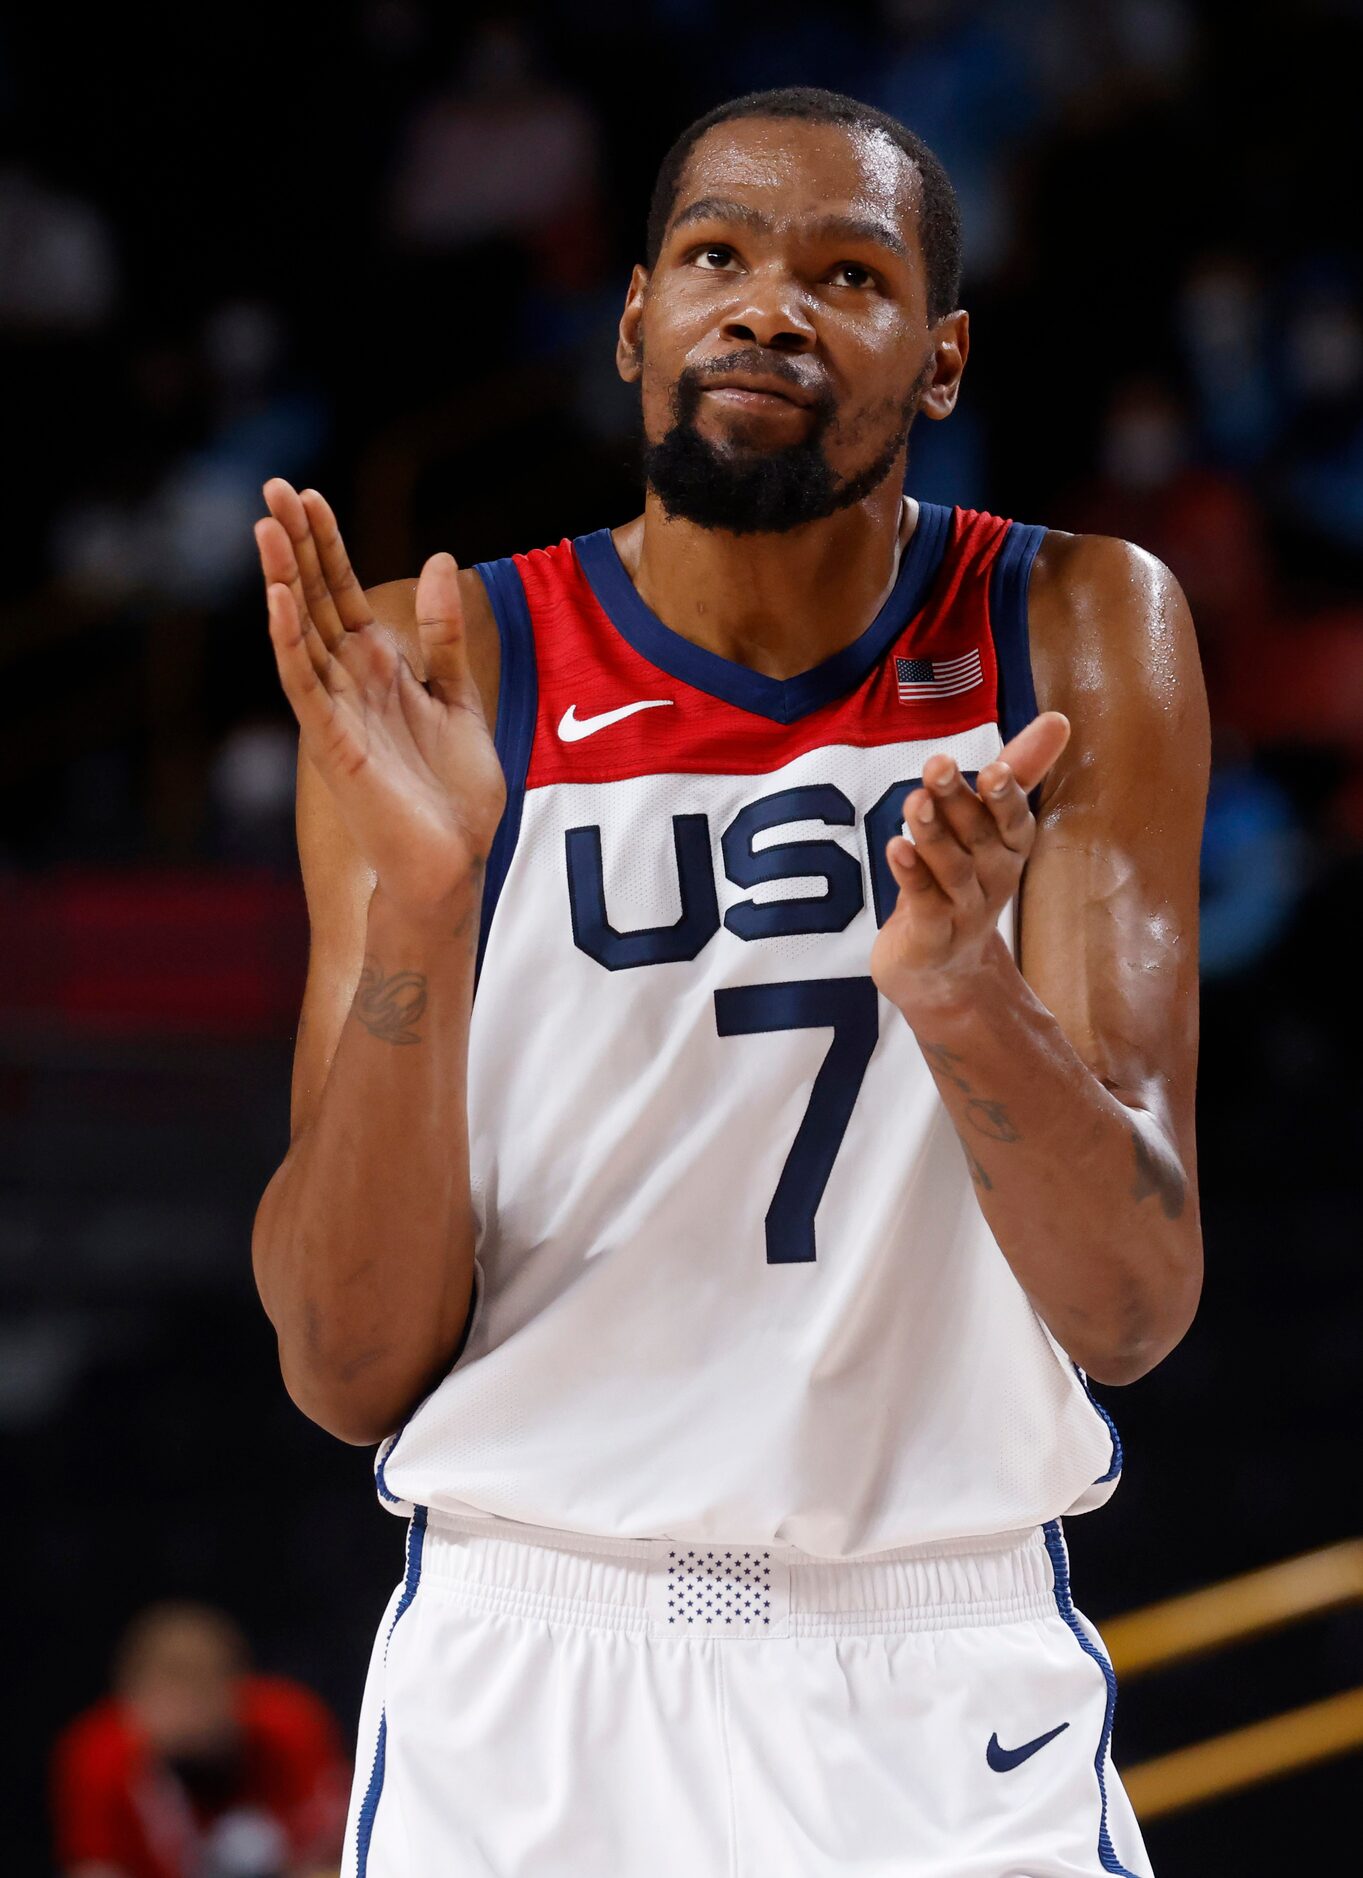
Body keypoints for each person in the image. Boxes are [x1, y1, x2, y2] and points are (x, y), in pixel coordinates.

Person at [251, 86, 1207, 1877]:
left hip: (938, 1660)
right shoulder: (439, 665)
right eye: (714, 255)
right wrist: (424, 904)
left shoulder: (1069, 628)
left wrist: (959, 994)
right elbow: (342, 1359)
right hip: (533, 1650)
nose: (765, 304)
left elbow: (1133, 1305)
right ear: (633, 322)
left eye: (845, 274)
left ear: (939, 362)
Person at [51, 1603, 349, 1878]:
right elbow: (95, 1870)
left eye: (201, 1693)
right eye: (171, 1697)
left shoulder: (290, 1727)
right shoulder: (97, 1759)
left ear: (237, 1691)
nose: (188, 1714)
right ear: (133, 1702)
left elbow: (344, 1859)